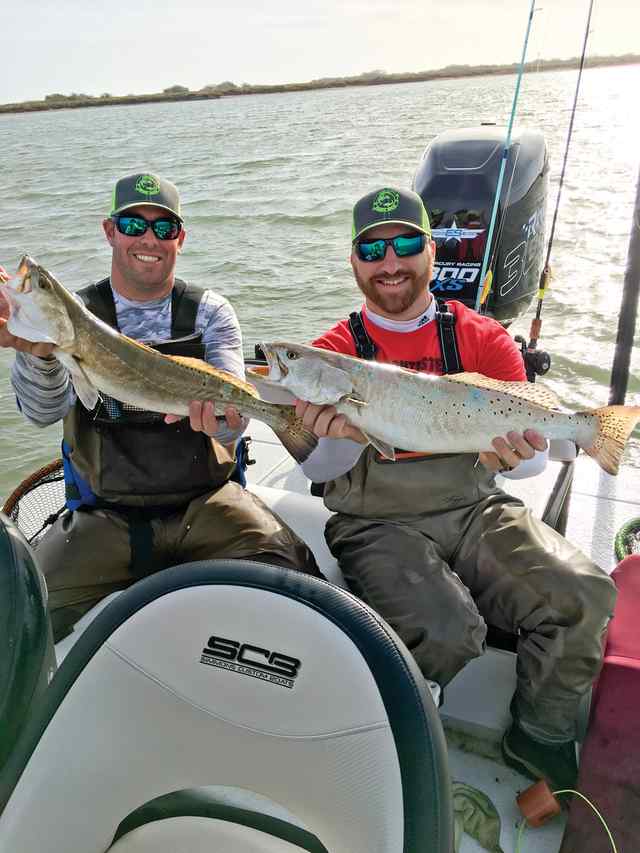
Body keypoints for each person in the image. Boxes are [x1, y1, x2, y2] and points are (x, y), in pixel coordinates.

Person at [294, 186, 617, 791]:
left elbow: (521, 471)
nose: (391, 262)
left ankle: (539, 736)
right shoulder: (330, 353)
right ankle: (385, 737)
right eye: (373, 249)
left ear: (432, 249)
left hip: (474, 505)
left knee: (584, 593)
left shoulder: (484, 338)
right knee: (445, 627)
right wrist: (330, 432)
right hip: (373, 519)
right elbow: (319, 474)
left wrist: (521, 452)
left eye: (406, 243)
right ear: (354, 262)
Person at [0, 172, 320, 641]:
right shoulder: (76, 320)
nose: (148, 239)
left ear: (179, 239)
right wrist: (39, 355)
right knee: (18, 618)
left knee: (304, 592)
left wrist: (227, 423)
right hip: (103, 516)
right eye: (133, 225)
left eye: (163, 228)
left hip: (208, 503)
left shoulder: (210, 311)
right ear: (110, 231)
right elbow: (41, 413)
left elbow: (234, 421)